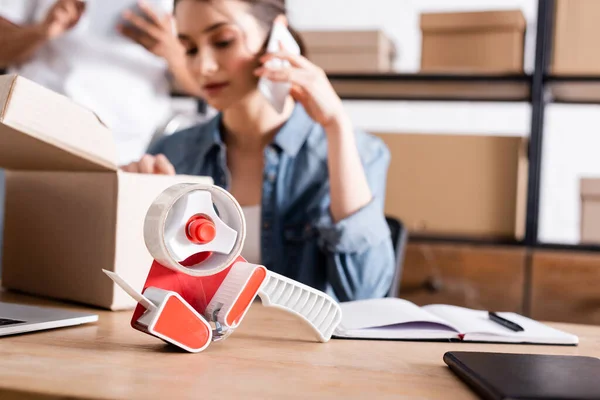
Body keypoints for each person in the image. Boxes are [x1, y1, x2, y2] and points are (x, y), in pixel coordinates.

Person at [121, 0, 396, 302]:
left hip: (300, 348)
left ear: (277, 36)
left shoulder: (358, 152)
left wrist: (336, 125)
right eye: (190, 49)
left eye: (223, 41)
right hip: (199, 345)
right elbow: (142, 288)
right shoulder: (172, 151)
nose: (203, 67)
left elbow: (366, 294)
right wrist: (134, 210)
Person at [0, 0, 202, 165]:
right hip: (33, 129)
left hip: (125, 150)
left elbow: (206, 88)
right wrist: (41, 31)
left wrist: (175, 55)